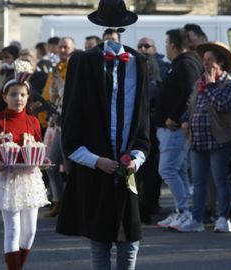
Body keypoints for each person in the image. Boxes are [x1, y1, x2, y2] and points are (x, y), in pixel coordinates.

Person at [56, 0, 150, 269]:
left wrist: (136, 157)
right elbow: (71, 123)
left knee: (130, 239)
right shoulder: (84, 61)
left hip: (127, 168)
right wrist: (95, 160)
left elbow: (143, 122)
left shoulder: (138, 62)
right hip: (96, 166)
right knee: (99, 240)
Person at [0, 61, 49, 270]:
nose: (18, 99)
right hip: (6, 179)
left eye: (23, 95)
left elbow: (36, 148)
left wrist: (42, 161)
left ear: (28, 97)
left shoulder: (33, 122)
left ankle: (18, 266)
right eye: (14, 95)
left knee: (31, 231)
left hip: (29, 179)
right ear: (4, 97)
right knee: (13, 229)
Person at [177, 41, 231, 232]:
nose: (205, 64)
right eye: (204, 60)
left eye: (210, 60)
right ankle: (197, 220)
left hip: (219, 140)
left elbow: (223, 106)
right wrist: (185, 120)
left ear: (220, 63)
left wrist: (211, 86)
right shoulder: (199, 82)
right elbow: (190, 105)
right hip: (198, 140)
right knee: (198, 182)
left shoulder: (229, 84)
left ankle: (223, 218)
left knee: (220, 180)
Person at [155, 28, 203, 230]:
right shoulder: (182, 64)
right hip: (170, 128)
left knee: (167, 169)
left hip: (174, 128)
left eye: (166, 43)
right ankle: (180, 210)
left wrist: (173, 117)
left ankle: (184, 210)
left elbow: (188, 94)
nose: (165, 46)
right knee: (179, 170)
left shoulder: (185, 64)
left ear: (173, 44)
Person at [38, 37, 76, 218]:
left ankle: (72, 205)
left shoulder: (77, 67)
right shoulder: (56, 68)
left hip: (72, 124)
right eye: (60, 47)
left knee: (70, 168)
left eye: (65, 47)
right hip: (59, 123)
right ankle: (59, 202)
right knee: (51, 164)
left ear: (73, 48)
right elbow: (53, 95)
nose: (62, 50)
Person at [136, 52, 163, 225]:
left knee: (144, 174)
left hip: (145, 131)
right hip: (150, 132)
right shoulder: (157, 84)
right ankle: (148, 207)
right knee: (149, 173)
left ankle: (144, 209)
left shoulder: (147, 86)